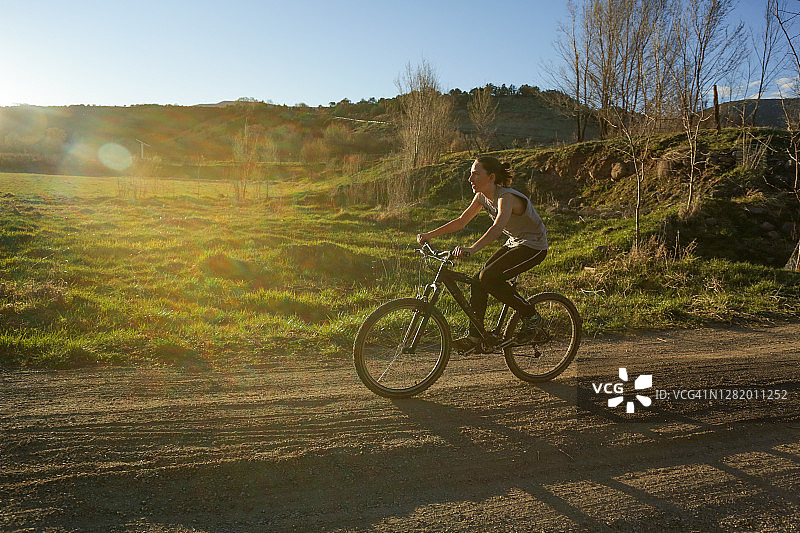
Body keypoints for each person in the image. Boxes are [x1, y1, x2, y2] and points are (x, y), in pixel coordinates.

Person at [417, 156, 548, 351]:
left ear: (492, 177)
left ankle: (532, 318)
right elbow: (461, 221)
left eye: (476, 174)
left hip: (534, 246)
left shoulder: (507, 197)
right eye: (471, 174)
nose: (470, 179)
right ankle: (476, 338)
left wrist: (472, 249)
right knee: (478, 281)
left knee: (489, 277)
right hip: (514, 242)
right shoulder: (481, 197)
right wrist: (429, 235)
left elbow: (497, 228)